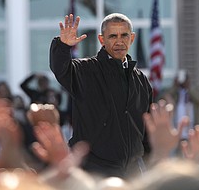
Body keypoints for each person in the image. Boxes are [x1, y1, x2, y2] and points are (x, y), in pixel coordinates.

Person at [49, 13, 153, 178]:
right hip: (94, 172)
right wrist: (62, 46)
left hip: (133, 174)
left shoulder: (141, 80)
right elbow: (61, 69)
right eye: (112, 36)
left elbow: (147, 128)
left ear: (132, 38)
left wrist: (149, 161)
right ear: (102, 39)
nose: (119, 41)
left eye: (124, 35)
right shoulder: (85, 71)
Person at [160, 69, 199, 143]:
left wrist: (189, 88)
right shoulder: (175, 92)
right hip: (177, 127)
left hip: (193, 126)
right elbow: (163, 97)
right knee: (179, 151)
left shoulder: (195, 89)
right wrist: (174, 86)